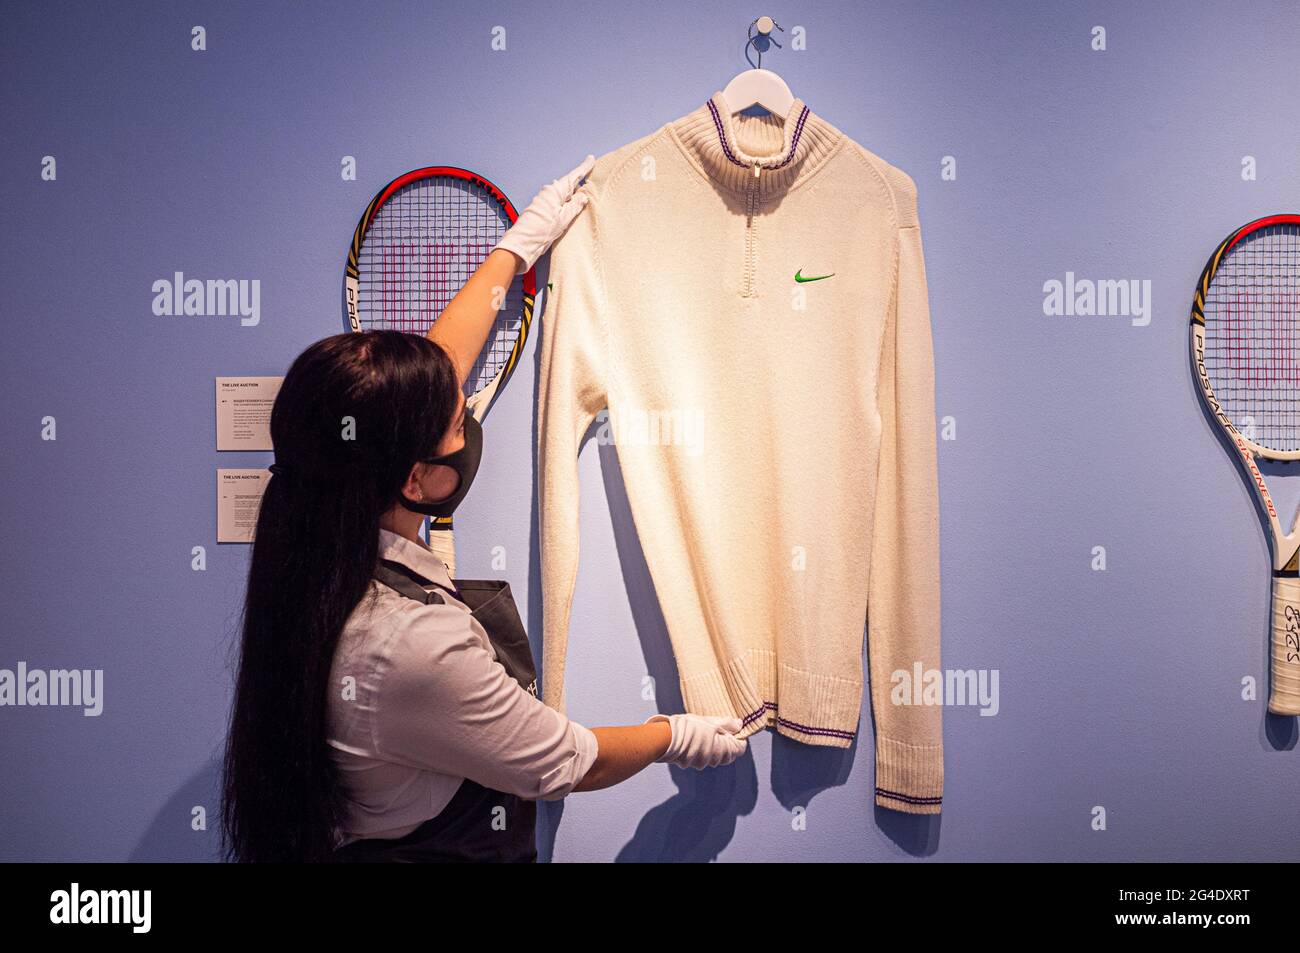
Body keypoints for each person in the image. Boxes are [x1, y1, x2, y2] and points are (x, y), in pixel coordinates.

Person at [220, 156, 747, 863]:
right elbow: (569, 760)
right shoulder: (409, 646)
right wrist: (672, 735)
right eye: (454, 423)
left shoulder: (325, 534)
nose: (466, 417)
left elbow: (442, 357)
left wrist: (517, 247)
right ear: (420, 479)